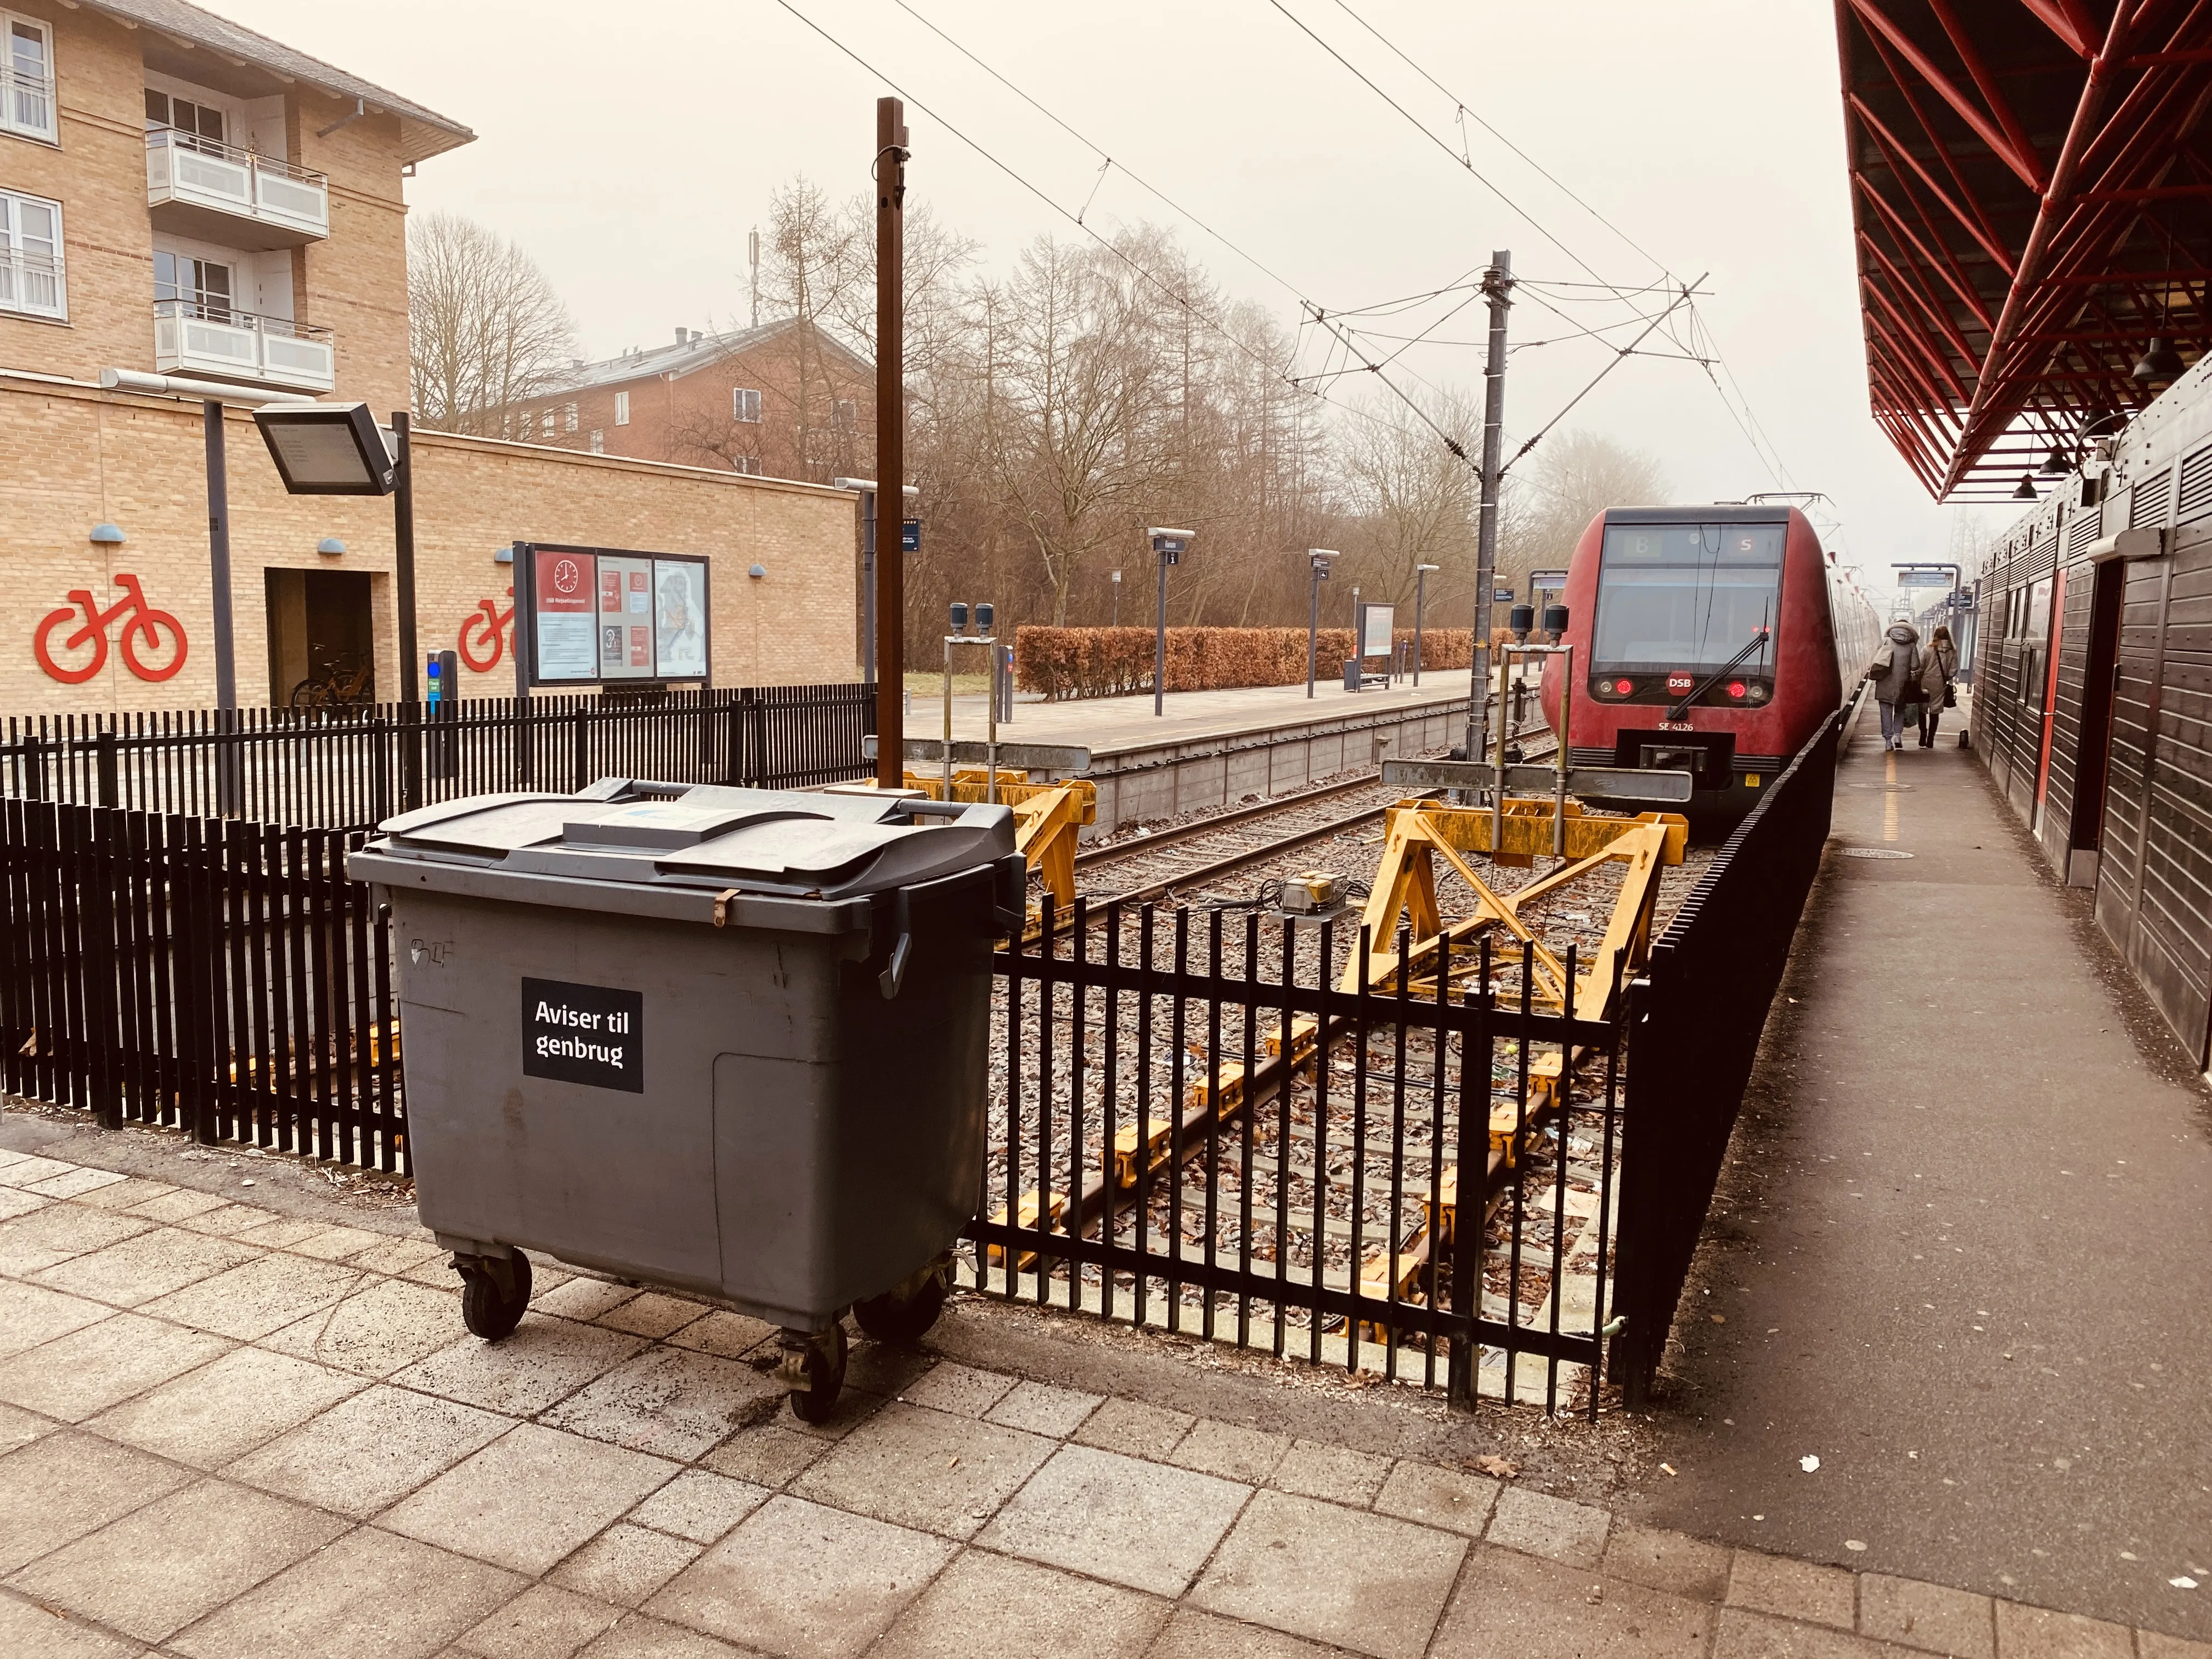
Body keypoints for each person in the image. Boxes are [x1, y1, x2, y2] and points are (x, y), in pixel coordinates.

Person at [1865, 620, 1923, 751]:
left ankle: (1888, 741)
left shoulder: (1886, 641)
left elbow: (1877, 660)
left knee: (1885, 712)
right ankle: (1898, 736)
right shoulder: (1912, 645)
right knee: (1900, 710)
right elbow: (1915, 666)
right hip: (1903, 685)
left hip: (1885, 683)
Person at [1917, 624, 1959, 747]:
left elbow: (1920, 666)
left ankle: (1923, 735)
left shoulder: (1927, 649)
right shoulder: (1952, 652)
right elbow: (1954, 670)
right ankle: (1931, 739)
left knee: (1922, 709)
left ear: (1935, 636)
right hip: (1940, 684)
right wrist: (1946, 677)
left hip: (1925, 682)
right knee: (1935, 711)